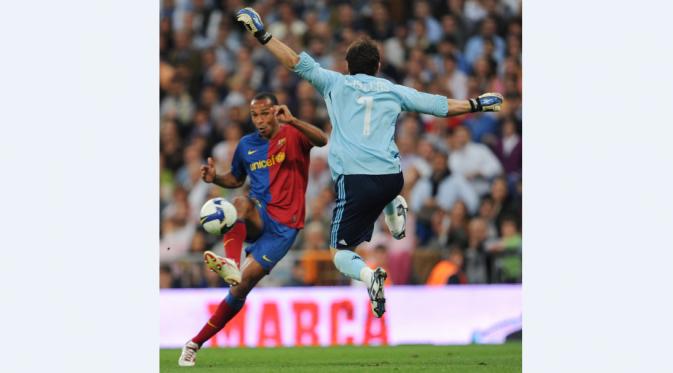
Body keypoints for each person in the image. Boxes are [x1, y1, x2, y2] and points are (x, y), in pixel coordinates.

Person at [234, 7, 503, 319]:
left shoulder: (334, 82)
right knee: (387, 185)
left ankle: (369, 275)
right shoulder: (393, 89)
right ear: (378, 65)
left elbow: (294, 61)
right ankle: (394, 209)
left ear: (347, 67)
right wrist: (475, 103)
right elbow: (438, 105)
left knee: (339, 253)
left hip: (355, 180)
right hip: (392, 176)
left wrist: (262, 35)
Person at [178, 92, 328, 367]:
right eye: (254, 115)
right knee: (239, 203)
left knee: (241, 289)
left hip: (284, 227)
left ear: (276, 112)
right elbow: (235, 178)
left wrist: (293, 120)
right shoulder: (246, 145)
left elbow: (322, 139)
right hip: (260, 214)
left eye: (264, 113)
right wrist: (216, 177)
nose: (259, 120)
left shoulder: (293, 135)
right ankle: (231, 263)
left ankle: (194, 343)